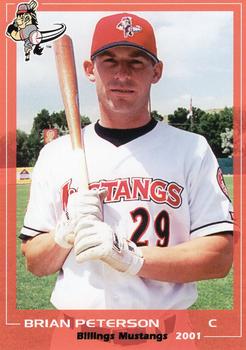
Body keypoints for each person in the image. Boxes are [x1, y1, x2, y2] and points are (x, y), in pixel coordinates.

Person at [20, 13, 233, 310]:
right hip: (77, 334)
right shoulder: (56, 154)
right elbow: (35, 263)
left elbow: (219, 257)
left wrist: (131, 257)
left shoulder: (191, 150)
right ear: (89, 69)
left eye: (136, 62)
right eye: (109, 61)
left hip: (165, 332)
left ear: (156, 72)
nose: (122, 75)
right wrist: (62, 233)